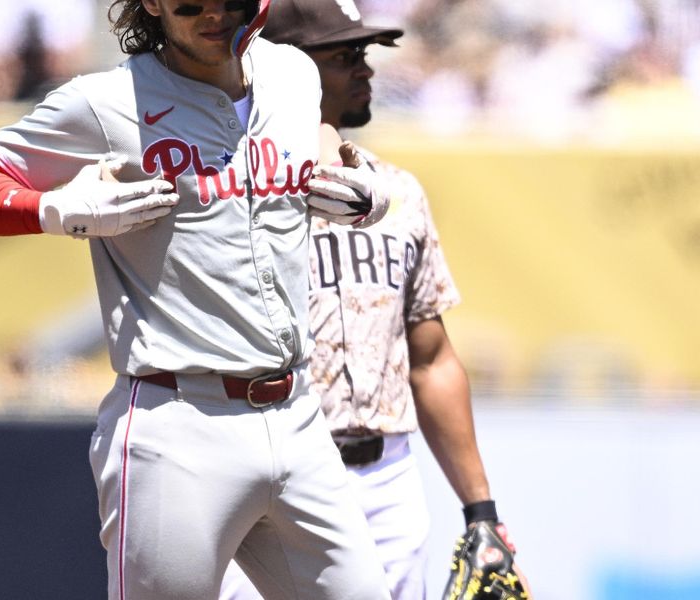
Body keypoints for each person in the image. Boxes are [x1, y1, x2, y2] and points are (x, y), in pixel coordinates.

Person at [0, 1, 394, 598]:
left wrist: (356, 180)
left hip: (298, 412)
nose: (212, 16)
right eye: (189, 4)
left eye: (229, 1)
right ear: (152, 3)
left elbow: (314, 140)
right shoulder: (107, 101)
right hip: (177, 422)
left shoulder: (291, 73)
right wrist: (52, 210)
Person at [220, 0, 532, 598]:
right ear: (284, 70)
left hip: (386, 477)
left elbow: (433, 359)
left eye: (363, 54)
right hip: (269, 474)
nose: (364, 70)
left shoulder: (399, 194)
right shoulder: (230, 191)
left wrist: (481, 511)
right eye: (343, 56)